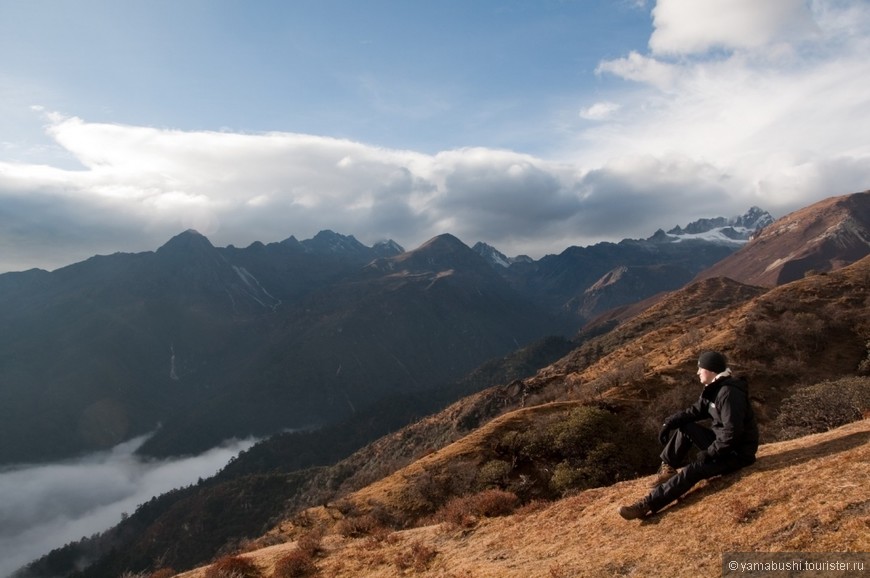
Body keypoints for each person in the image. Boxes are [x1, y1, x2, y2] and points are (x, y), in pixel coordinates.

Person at [618, 351, 759, 520]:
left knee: (693, 470)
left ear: (711, 370)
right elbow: (695, 411)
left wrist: (709, 453)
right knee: (685, 427)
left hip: (737, 454)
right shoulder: (714, 389)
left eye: (700, 368)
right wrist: (669, 422)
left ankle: (646, 505)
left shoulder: (728, 393)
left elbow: (732, 433)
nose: (698, 372)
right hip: (725, 446)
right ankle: (668, 468)